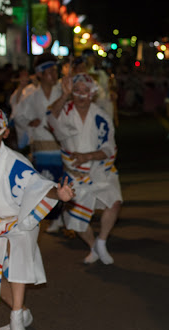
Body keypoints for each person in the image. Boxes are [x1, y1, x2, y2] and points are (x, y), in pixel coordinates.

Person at [0, 106, 74, 330]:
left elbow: (37, 186)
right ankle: (23, 311)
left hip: (17, 221)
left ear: (5, 133)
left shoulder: (14, 161)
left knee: (18, 262)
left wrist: (58, 193)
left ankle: (16, 319)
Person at [48, 73, 123, 265]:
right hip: (74, 174)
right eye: (77, 90)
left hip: (99, 170)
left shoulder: (101, 116)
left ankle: (102, 240)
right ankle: (93, 246)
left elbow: (108, 147)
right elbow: (50, 117)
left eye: (85, 91)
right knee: (75, 221)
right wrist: (64, 95)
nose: (81, 94)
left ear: (92, 94)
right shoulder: (65, 110)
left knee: (114, 202)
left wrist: (87, 156)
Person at [14, 54, 65, 232]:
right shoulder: (32, 96)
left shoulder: (62, 91)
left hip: (63, 145)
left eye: (54, 70)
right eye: (49, 71)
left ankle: (65, 215)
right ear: (40, 74)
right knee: (47, 182)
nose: (53, 73)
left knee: (64, 181)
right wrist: (29, 122)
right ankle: (55, 217)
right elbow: (18, 115)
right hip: (43, 147)